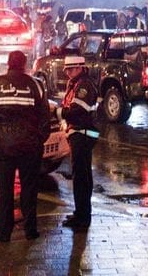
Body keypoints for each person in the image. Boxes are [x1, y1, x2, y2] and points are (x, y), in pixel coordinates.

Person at [0, 50, 50, 242]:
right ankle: (30, 230)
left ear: (8, 64)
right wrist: (39, 139)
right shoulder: (36, 85)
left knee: (5, 191)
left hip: (4, 146)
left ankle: (4, 232)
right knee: (29, 189)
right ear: (25, 65)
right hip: (30, 147)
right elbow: (45, 118)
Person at [57, 56, 100, 231]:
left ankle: (82, 218)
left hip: (82, 136)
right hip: (80, 135)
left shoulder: (83, 86)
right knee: (82, 177)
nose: (68, 73)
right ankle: (81, 212)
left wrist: (57, 112)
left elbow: (76, 110)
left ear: (79, 68)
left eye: (71, 69)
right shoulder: (76, 84)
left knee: (81, 178)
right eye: (67, 70)